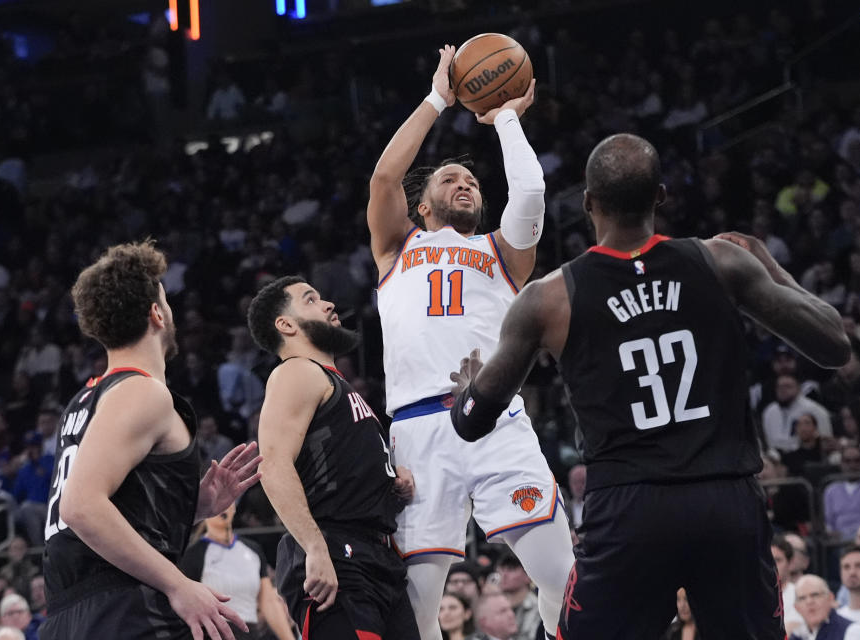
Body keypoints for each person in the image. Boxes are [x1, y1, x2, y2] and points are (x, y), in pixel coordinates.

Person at [449, 133, 850, 639]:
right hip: (725, 499)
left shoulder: (549, 298)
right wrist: (767, 265)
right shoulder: (721, 262)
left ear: (588, 203)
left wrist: (469, 386)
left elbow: (471, 422)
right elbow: (834, 345)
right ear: (660, 196)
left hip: (628, 509)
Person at [366, 45, 573, 640]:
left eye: (470, 180)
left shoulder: (502, 254)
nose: (463, 183)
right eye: (448, 179)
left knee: (565, 577)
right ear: (422, 206)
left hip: (494, 421)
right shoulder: (395, 249)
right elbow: (384, 177)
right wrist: (438, 99)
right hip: (416, 432)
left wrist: (505, 116)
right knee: (415, 609)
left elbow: (529, 195)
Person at [40, 242, 262, 640]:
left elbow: (104, 510)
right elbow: (81, 507)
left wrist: (190, 507)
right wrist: (179, 584)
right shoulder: (142, 393)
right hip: (122, 609)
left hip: (73, 613)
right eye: (166, 301)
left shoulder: (84, 400)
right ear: (157, 314)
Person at [247, 277, 419, 640]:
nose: (327, 305)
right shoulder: (297, 372)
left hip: (375, 556)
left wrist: (390, 484)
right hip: (336, 551)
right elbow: (273, 463)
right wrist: (314, 547)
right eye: (310, 300)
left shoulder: (333, 382)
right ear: (286, 324)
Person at [179, 502, 295, 640]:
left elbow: (269, 602)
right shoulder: (193, 555)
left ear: (233, 507)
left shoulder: (253, 550)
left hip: (250, 633)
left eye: (227, 501)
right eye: (217, 500)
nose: (222, 507)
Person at [789, 575, 860, 640]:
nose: (809, 601)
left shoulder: (852, 630)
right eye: (802, 598)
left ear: (830, 598)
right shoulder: (796, 635)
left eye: (815, 595)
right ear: (796, 608)